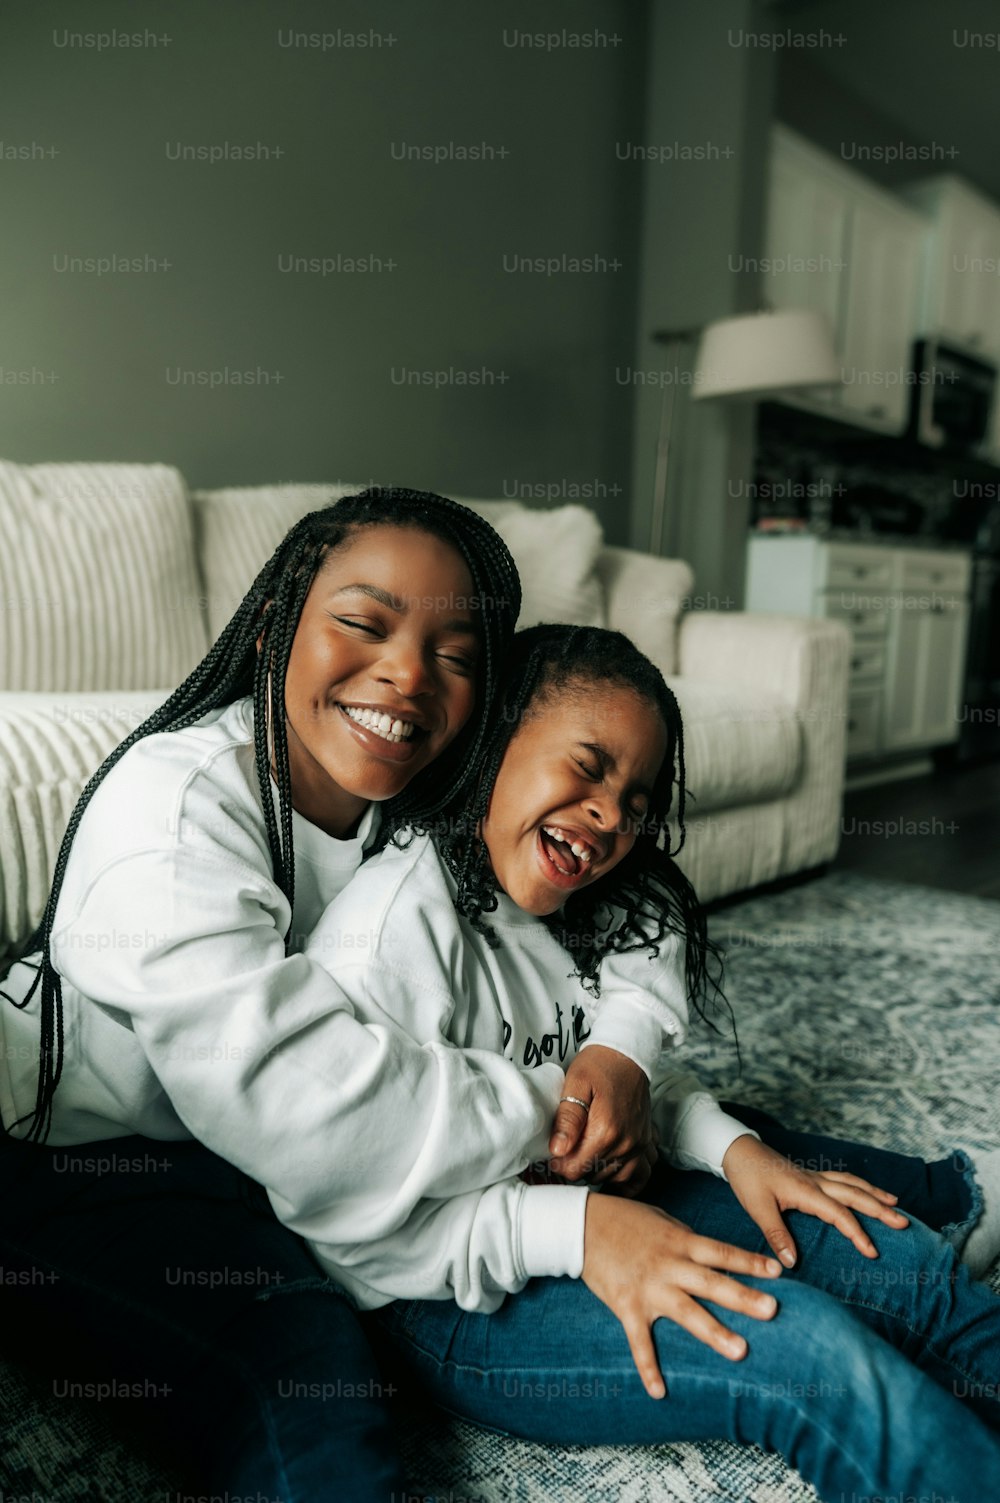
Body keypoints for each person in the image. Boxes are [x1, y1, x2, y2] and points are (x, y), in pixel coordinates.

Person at [0, 490, 656, 1500]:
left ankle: (936, 1201)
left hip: (246, 1149)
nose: (406, 672)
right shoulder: (173, 814)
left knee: (676, 1122)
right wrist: (555, 1105)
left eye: (456, 655)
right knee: (303, 1368)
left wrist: (619, 1051)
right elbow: (308, 1108)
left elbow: (634, 908)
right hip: (80, 1159)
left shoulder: (416, 802)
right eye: (365, 621)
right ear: (274, 625)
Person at [288, 622, 1000, 1503]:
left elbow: (606, 1085)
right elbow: (351, 1229)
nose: (610, 816)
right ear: (492, 740)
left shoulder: (574, 899)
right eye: (586, 767)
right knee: (809, 1355)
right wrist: (577, 1229)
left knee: (900, 1261)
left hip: (604, 1203)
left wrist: (739, 1152)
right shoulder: (387, 938)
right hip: (454, 1293)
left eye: (635, 799)